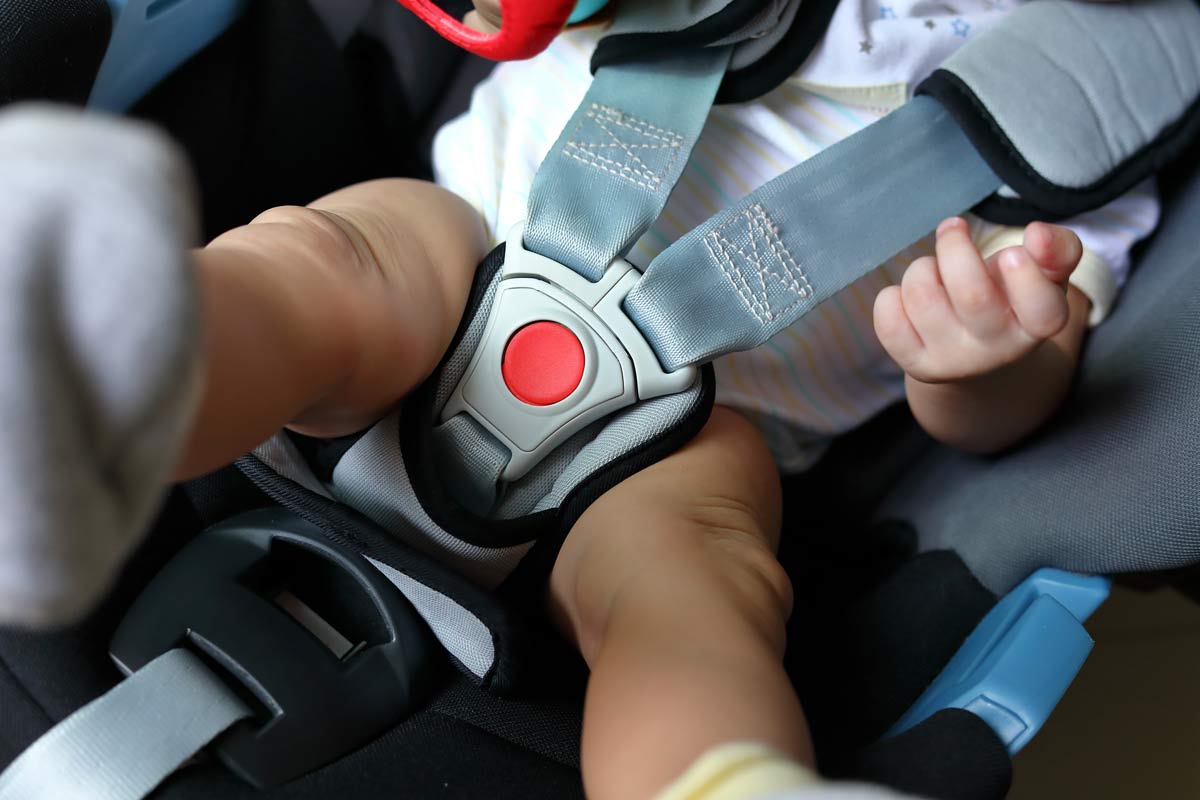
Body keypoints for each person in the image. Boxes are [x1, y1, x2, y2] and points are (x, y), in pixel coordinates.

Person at [0, 0, 1159, 797]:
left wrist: (982, 357)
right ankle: (83, 386)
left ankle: (720, 771)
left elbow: (1013, 412)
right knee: (310, 272)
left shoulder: (1098, 117)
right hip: (469, 247)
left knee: (702, 588)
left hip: (687, 430)